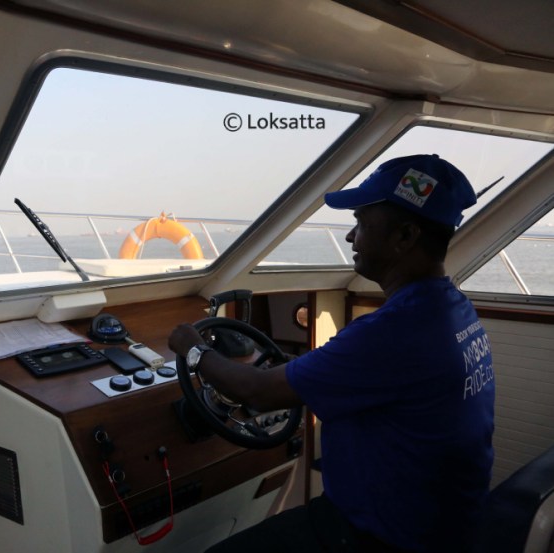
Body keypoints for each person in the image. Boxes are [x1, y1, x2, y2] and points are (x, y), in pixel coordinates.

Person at [169, 154, 495, 553]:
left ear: (405, 237)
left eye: (361, 224)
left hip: (380, 535)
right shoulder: (450, 308)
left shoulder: (393, 332)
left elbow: (256, 392)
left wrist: (193, 350)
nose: (350, 237)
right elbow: (351, 374)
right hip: (442, 525)